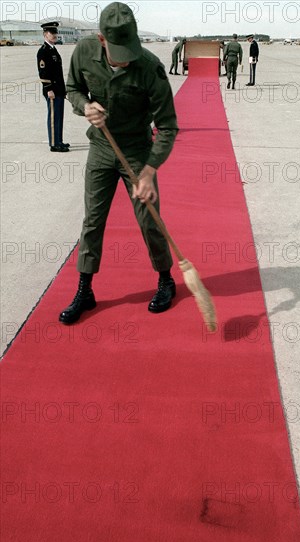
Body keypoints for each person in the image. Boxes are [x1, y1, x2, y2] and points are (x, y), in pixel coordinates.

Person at [59, 2, 179, 325]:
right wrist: (85, 106)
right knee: (92, 221)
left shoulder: (149, 67)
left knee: (148, 218)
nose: (126, 59)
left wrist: (149, 170)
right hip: (101, 148)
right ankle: (85, 290)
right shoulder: (84, 53)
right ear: (101, 41)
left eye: (130, 49)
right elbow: (72, 89)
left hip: (138, 151)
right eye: (118, 52)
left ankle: (166, 279)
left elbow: (168, 125)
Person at [37, 21, 70, 152]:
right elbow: (43, 72)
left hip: (59, 90)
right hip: (52, 91)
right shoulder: (43, 51)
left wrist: (63, 90)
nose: (55, 35)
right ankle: (54, 144)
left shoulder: (53, 50)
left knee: (59, 116)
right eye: (52, 33)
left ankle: (59, 141)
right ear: (45, 34)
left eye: (56, 32)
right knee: (53, 117)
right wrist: (48, 89)